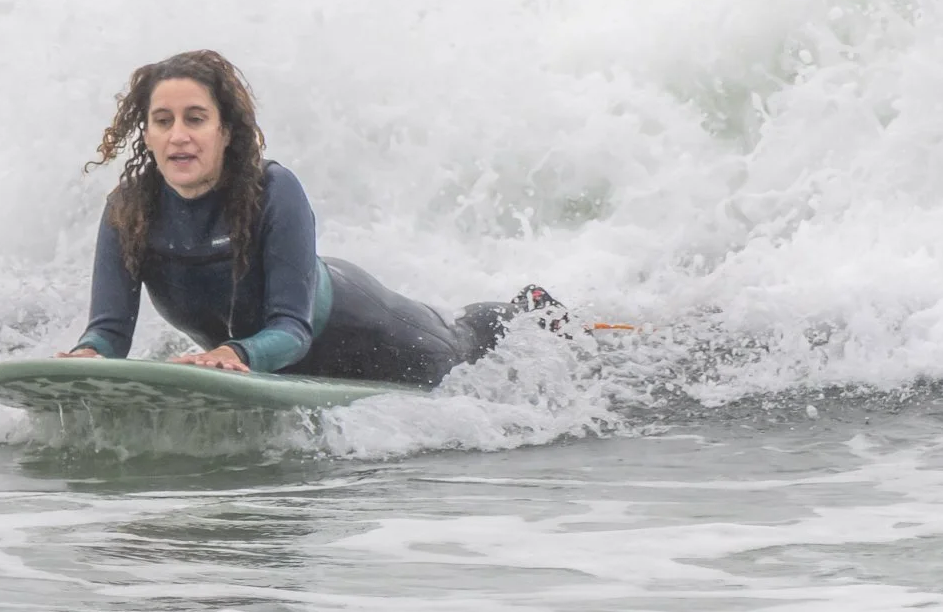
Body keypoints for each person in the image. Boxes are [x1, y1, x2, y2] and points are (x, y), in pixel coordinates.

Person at [58, 50, 565, 389]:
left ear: (227, 131)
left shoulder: (273, 191)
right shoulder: (129, 210)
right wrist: (89, 355)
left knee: (465, 343)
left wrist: (236, 355)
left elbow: (291, 331)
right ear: (145, 135)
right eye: (162, 122)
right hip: (257, 360)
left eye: (196, 118)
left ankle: (538, 312)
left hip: (379, 335)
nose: (178, 136)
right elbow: (108, 333)